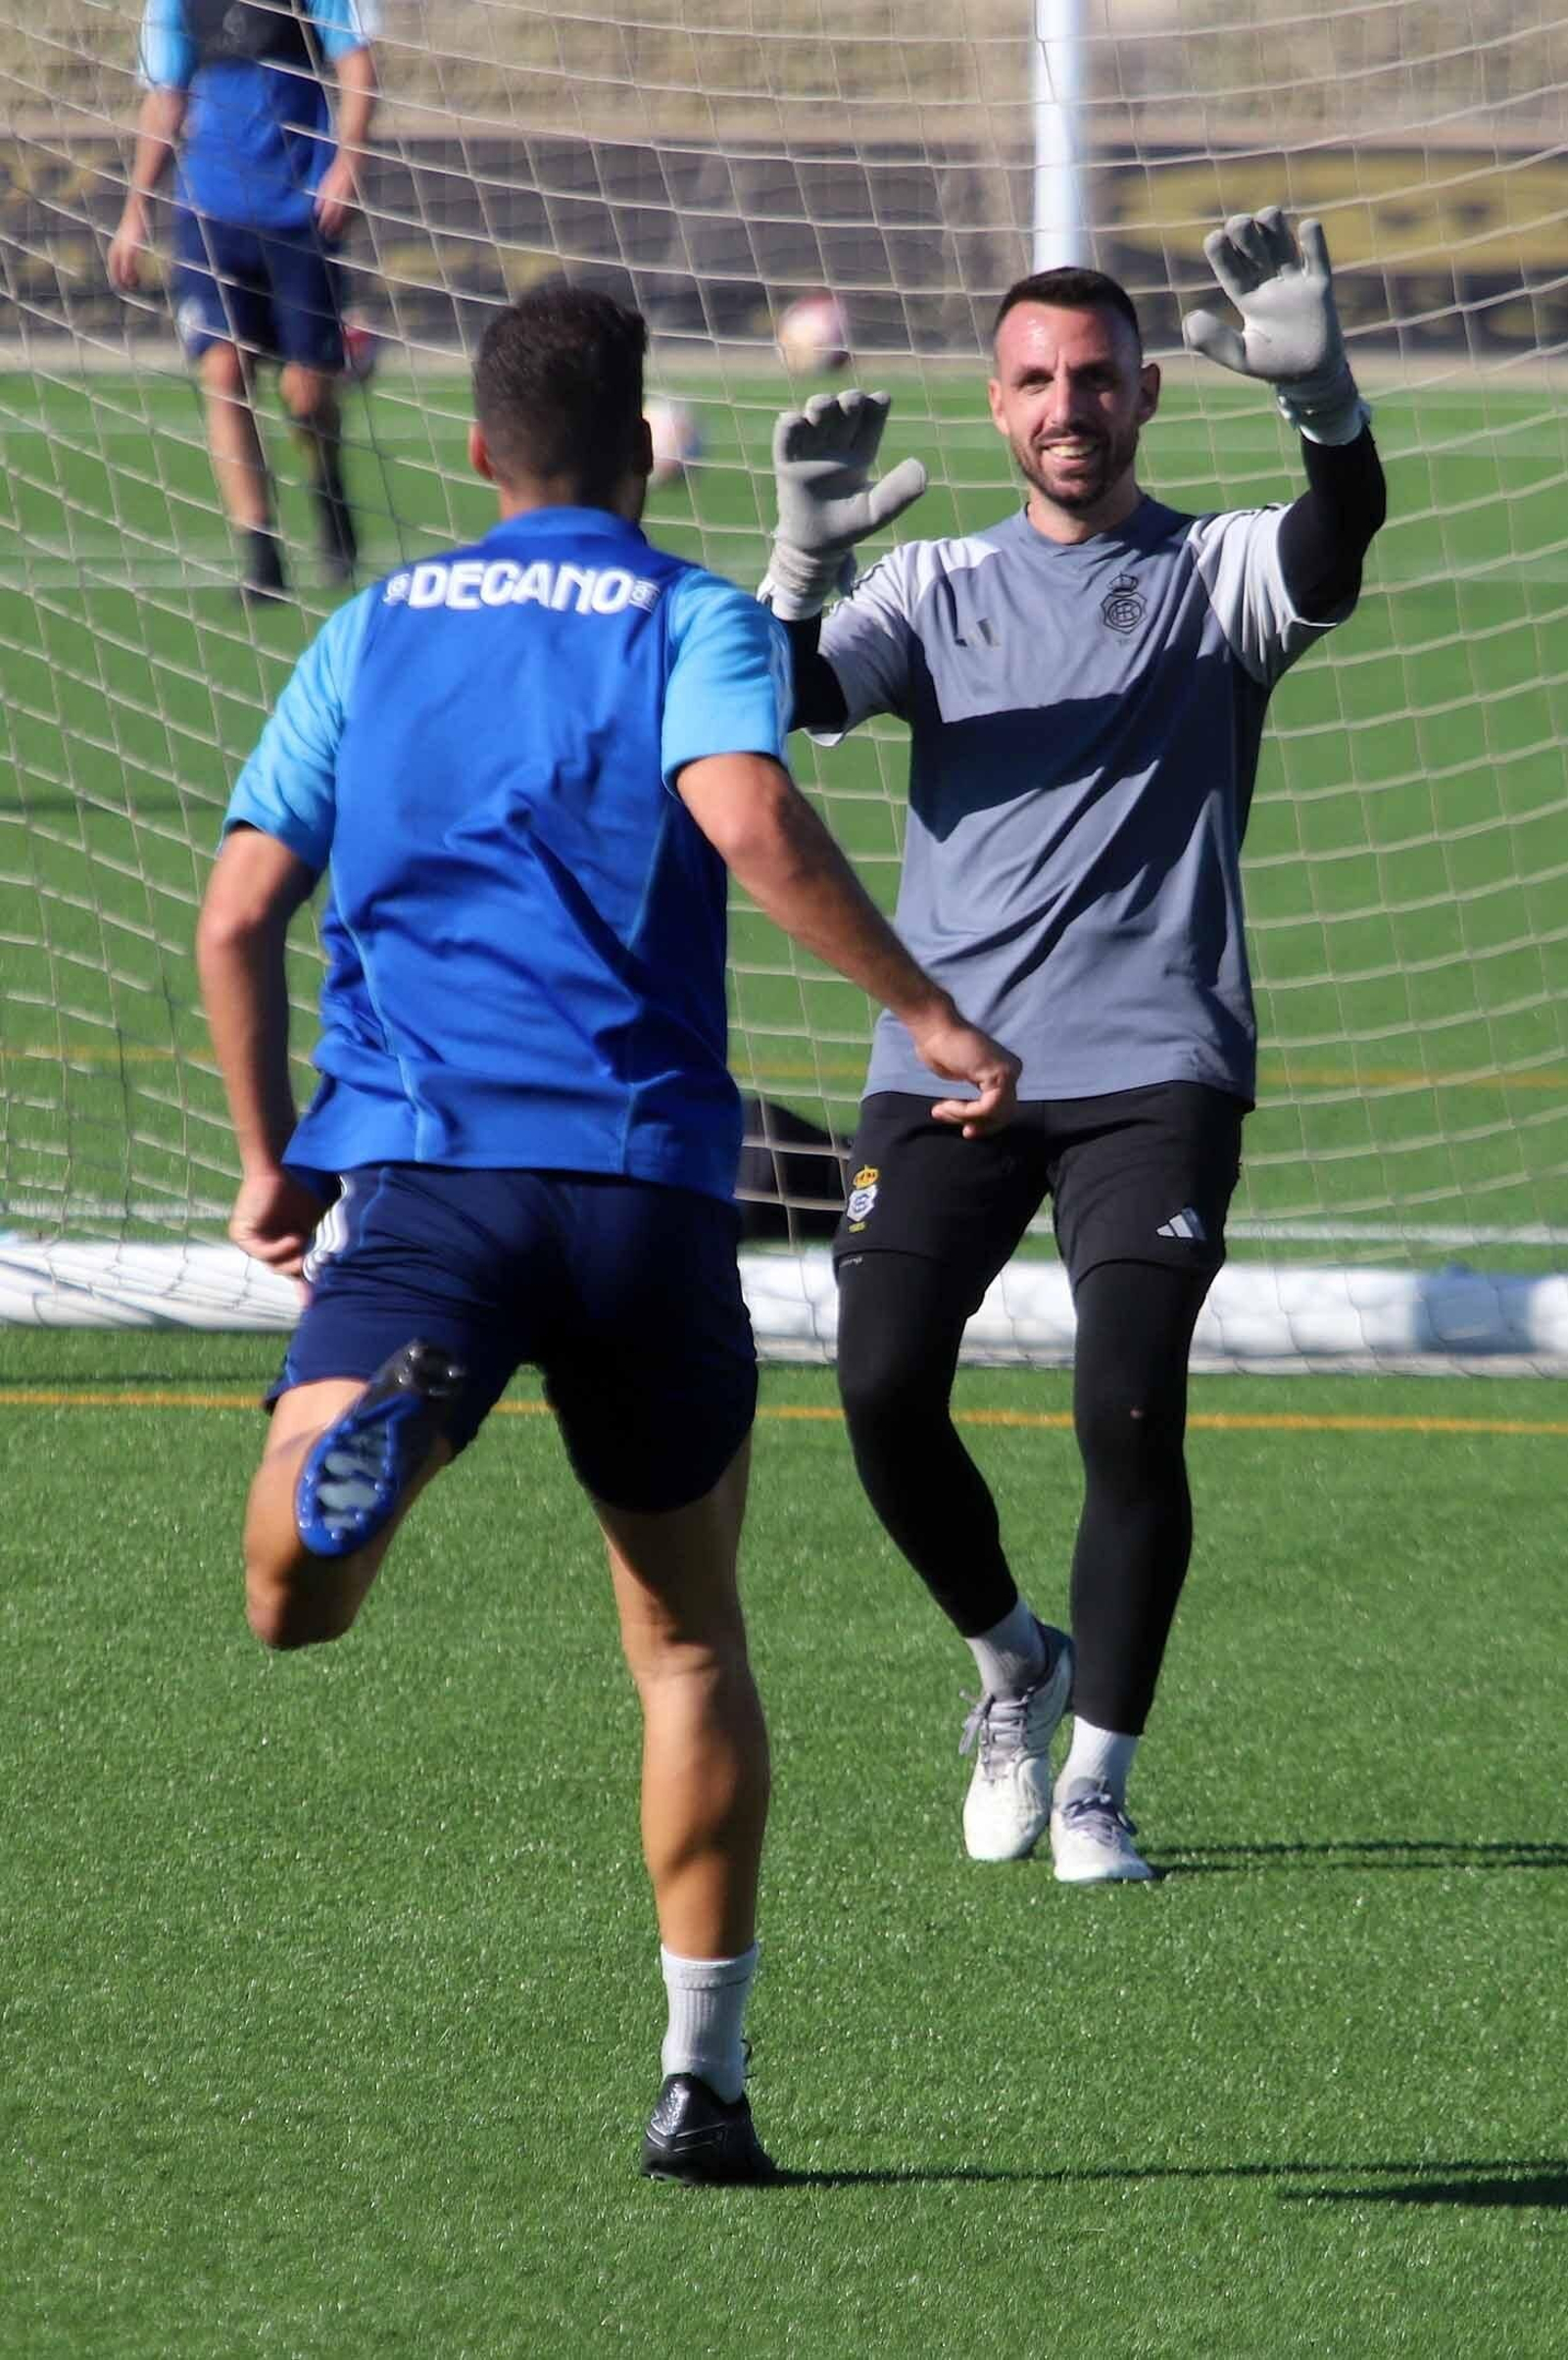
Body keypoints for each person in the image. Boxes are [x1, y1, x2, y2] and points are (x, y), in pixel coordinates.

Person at [195, 283, 1018, 2184]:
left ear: (480, 450)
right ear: (646, 447)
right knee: (685, 1647)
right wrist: (935, 1012)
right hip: (650, 1188)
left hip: (426, 1174)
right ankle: (702, 2086)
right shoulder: (690, 616)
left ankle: (358, 1461)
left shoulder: (375, 625)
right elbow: (743, 813)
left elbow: (242, 914)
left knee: (291, 1602)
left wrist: (269, 1161)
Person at [761, 210, 1387, 1882]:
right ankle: (1009, 1664)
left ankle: (1098, 1777)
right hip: (950, 1064)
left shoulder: (1214, 574)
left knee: (1127, 1411)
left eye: (1096, 375)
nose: (1067, 404)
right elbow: (783, 705)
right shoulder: (934, 584)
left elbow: (1337, 544)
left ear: (1150, 392)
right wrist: (800, 566)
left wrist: (1328, 406)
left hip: (1155, 1062)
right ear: (996, 404)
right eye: (1035, 378)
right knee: (882, 1381)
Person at [108, 0, 378, 605]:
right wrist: (135, 209)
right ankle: (260, 552)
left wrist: (348, 163)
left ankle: (328, 491)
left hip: (297, 207)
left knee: (305, 390)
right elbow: (165, 95)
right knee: (223, 371)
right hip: (210, 211)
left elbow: (357, 65)